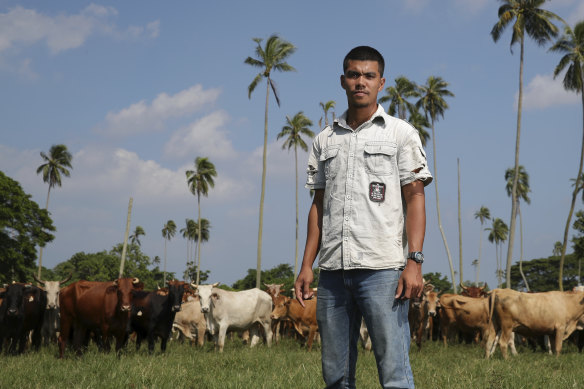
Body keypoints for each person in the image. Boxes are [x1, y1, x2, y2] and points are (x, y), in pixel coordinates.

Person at [294, 46, 432, 388]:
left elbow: (415, 196)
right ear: (343, 81)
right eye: (354, 75)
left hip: (383, 270)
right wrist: (307, 265)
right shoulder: (325, 139)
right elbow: (318, 205)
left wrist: (413, 260)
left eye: (369, 76)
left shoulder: (400, 133)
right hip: (333, 274)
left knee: (395, 373)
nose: (361, 82)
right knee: (336, 376)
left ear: (381, 82)